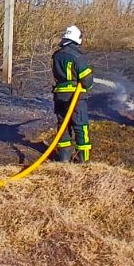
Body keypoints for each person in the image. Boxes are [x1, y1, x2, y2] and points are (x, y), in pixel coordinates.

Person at [51, 25, 94, 163]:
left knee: (63, 125)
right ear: (77, 40)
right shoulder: (77, 56)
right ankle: (83, 161)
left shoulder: (56, 55)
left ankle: (63, 159)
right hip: (76, 98)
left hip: (59, 97)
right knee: (81, 126)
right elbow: (87, 81)